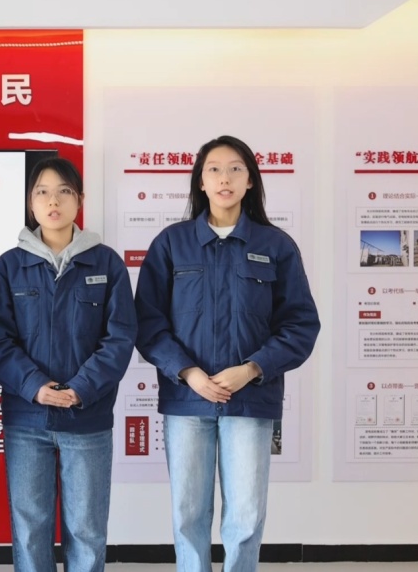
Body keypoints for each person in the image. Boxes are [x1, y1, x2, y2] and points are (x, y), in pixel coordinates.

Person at [134, 135, 320, 572]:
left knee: (246, 514)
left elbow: (300, 325)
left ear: (250, 180)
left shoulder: (276, 245)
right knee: (188, 514)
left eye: (236, 169)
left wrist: (252, 369)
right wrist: (188, 372)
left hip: (250, 398)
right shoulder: (172, 244)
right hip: (187, 399)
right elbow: (148, 322)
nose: (225, 178)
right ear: (200, 181)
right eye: (214, 169)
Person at [0, 157, 137, 572]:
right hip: (26, 418)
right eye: (43, 193)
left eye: (64, 192)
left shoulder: (106, 264)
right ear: (30, 203)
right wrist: (35, 386)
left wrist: (80, 389)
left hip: (87, 417)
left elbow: (120, 337)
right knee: (30, 528)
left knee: (86, 528)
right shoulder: (9, 266)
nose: (53, 201)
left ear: (79, 200)